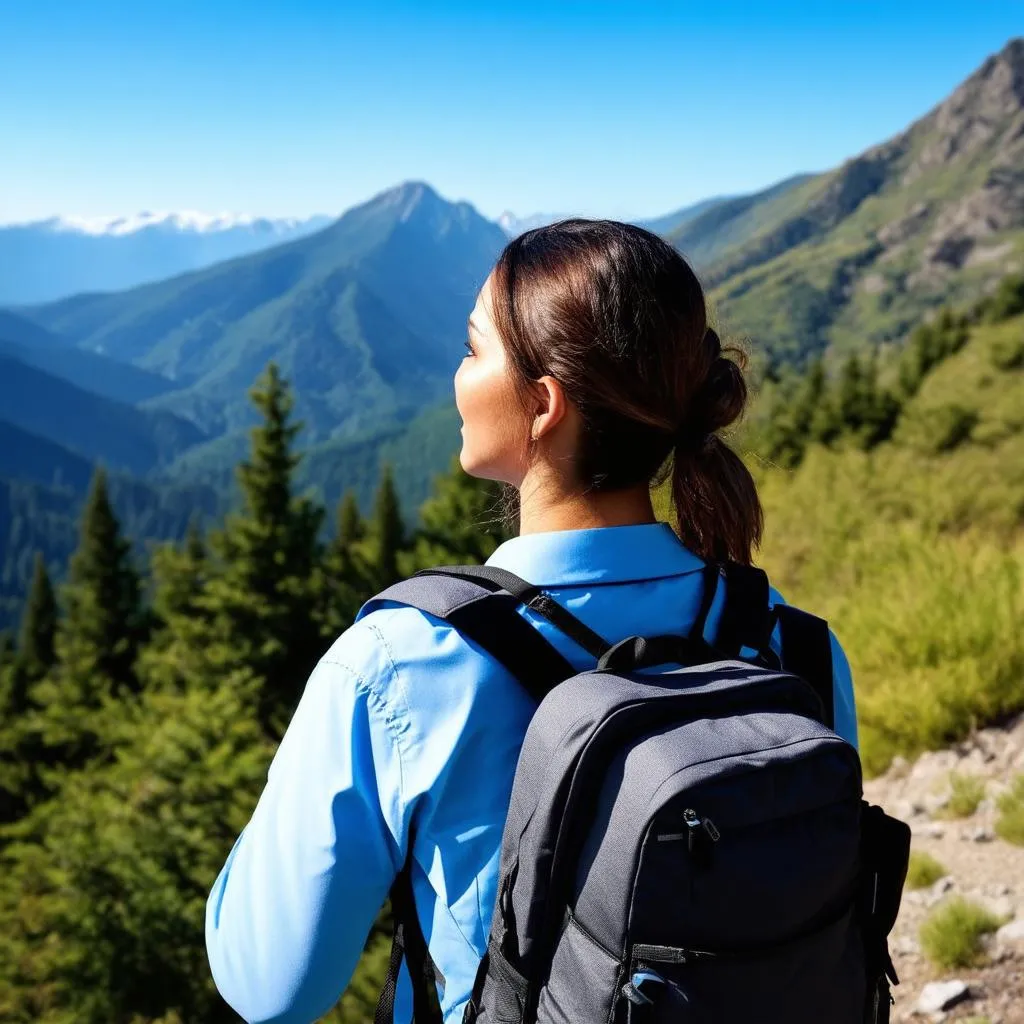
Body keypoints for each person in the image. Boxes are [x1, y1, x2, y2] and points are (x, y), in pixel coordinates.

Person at [205, 220, 857, 1024]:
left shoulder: (398, 663)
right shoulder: (798, 648)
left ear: (543, 405)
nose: (458, 375)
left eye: (474, 350)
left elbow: (272, 989)